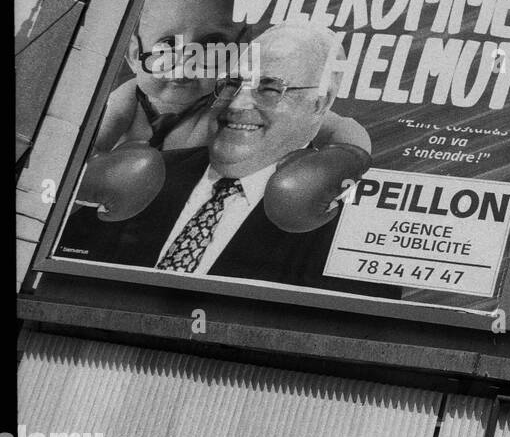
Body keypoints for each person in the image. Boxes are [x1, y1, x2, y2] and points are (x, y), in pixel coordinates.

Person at [58, 22, 396, 298]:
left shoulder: (351, 235)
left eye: (269, 88)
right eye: (233, 84)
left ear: (319, 104)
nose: (237, 104)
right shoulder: (144, 176)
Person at [93, 0, 369, 155]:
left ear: (241, 48)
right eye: (167, 44)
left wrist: (343, 160)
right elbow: (93, 145)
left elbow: (337, 127)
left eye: (212, 43)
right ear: (133, 53)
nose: (187, 61)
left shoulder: (235, 98)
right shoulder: (126, 100)